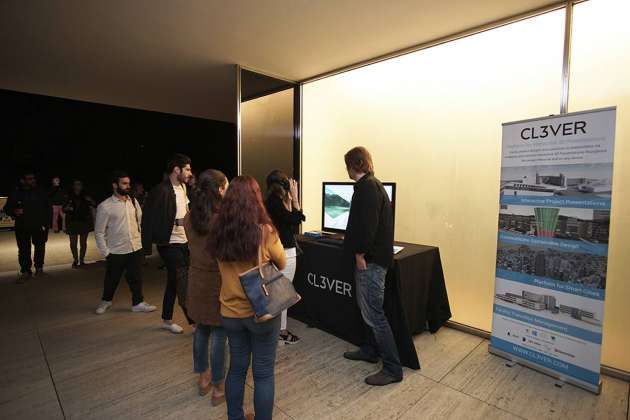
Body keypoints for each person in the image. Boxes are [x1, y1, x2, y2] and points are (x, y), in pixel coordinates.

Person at [208, 175, 286, 420]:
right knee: (263, 373)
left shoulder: (217, 230)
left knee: (237, 368)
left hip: (230, 312)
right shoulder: (265, 231)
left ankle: (236, 417)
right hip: (260, 312)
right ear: (256, 199)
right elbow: (282, 262)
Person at [342, 146, 403, 386]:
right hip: (375, 259)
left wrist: (359, 255)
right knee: (368, 309)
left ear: (353, 164)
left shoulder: (367, 188)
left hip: (370, 262)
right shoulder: (372, 185)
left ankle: (392, 368)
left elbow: (366, 228)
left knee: (375, 314)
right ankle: (369, 350)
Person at [184, 169, 229, 405]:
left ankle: (204, 378)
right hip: (219, 282)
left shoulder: (189, 217)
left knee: (201, 329)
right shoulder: (223, 219)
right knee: (220, 334)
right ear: (220, 189)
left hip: (196, 280)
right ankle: (219, 388)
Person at [142, 153, 194, 334]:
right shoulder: (161, 191)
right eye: (187, 169)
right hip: (169, 244)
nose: (190, 173)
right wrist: (146, 248)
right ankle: (195, 322)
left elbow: (185, 213)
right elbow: (148, 218)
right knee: (183, 281)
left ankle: (166, 319)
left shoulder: (183, 188)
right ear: (176, 169)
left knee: (173, 281)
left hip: (183, 242)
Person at [93, 171, 156, 315]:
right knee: (112, 279)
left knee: (136, 278)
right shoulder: (105, 206)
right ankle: (106, 301)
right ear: (115, 185)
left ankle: (138, 303)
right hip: (116, 250)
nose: (128, 186)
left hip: (135, 248)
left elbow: (139, 221)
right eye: (124, 183)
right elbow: (99, 232)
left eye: (129, 183)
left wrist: (139, 242)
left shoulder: (133, 201)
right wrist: (106, 252)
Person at [265, 170, 305, 345]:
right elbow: (296, 219)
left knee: (278, 293)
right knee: (284, 294)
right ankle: (281, 332)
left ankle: (277, 330)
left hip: (277, 250)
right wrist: (295, 199)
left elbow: (287, 221)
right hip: (285, 252)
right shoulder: (274, 203)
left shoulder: (273, 203)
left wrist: (289, 201)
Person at [3, 172, 51, 283]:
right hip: (22, 226)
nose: (32, 180)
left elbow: (48, 208)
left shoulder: (41, 191)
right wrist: (14, 211)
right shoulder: (16, 192)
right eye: (29, 179)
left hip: (39, 225)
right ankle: (25, 271)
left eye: (33, 178)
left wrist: (47, 224)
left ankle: (39, 268)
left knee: (40, 247)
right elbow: (7, 208)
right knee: (24, 249)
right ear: (22, 181)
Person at [63, 179, 96, 268]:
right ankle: (75, 260)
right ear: (73, 186)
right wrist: (67, 208)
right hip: (72, 222)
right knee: (73, 243)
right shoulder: (68, 196)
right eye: (76, 184)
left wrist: (94, 221)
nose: (78, 186)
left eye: (79, 184)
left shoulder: (86, 196)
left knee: (83, 243)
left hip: (84, 222)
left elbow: (93, 205)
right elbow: (63, 209)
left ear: (82, 186)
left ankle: (81, 260)